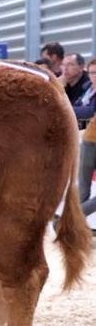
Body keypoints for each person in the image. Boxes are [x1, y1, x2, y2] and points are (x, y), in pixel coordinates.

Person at [75, 59, 96, 216]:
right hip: (89, 142)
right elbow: (84, 109)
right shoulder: (89, 90)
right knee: (82, 192)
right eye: (92, 73)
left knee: (83, 191)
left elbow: (87, 111)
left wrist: (72, 108)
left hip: (88, 140)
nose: (94, 76)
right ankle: (67, 226)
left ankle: (67, 226)